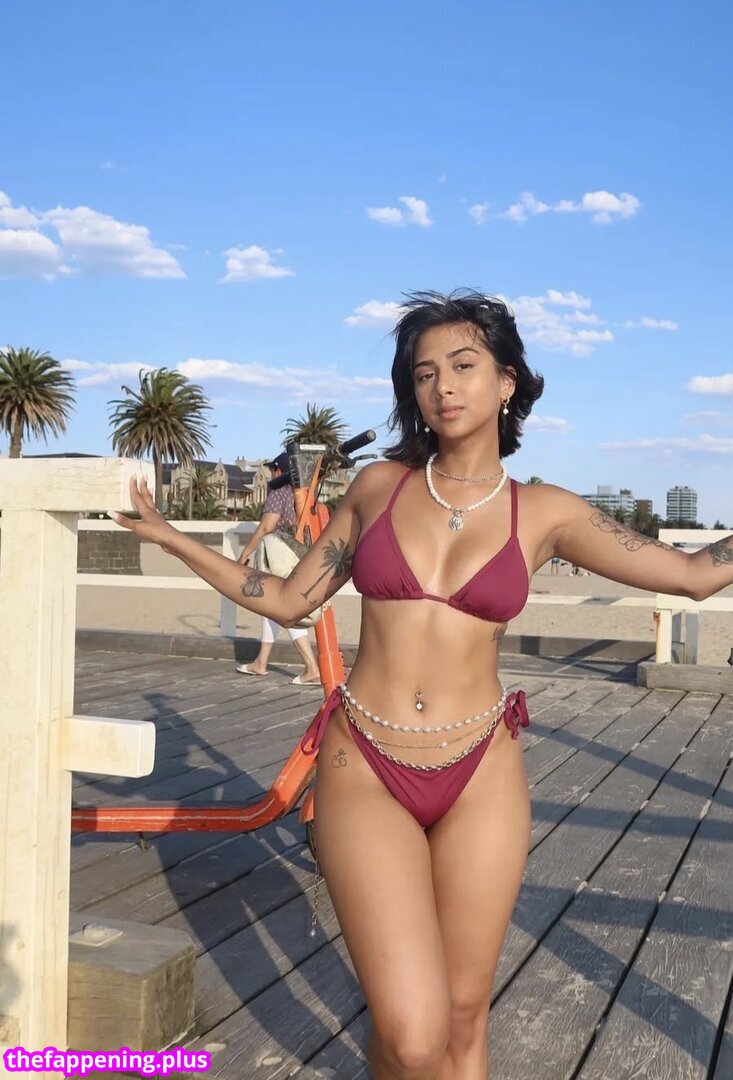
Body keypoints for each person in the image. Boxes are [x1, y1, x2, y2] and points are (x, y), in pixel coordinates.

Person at [111, 290, 732, 1080]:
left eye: (463, 366)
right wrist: (172, 539)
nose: (442, 386)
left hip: (480, 770)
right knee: (410, 1035)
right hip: (364, 763)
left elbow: (689, 575)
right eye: (424, 372)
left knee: (464, 1019)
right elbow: (291, 599)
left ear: (506, 381)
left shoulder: (545, 512)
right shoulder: (379, 488)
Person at [235, 451, 321, 685]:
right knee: (271, 607)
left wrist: (245, 554)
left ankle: (311, 666)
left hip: (279, 556)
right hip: (300, 554)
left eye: (273, 469)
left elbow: (266, 526)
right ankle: (261, 662)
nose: (271, 473)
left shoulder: (278, 492)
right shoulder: (304, 494)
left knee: (283, 606)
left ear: (281, 471)